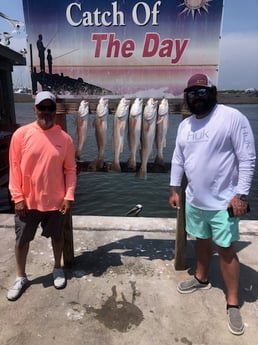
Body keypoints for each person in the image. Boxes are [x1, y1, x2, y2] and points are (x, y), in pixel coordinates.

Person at [169, 73, 256, 335]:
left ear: (212, 92)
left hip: (223, 202)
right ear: (187, 97)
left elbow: (248, 159)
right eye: (192, 93)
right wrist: (175, 189)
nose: (197, 97)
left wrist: (241, 195)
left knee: (226, 250)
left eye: (202, 92)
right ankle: (201, 277)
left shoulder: (231, 117)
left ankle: (232, 302)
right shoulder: (185, 126)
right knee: (201, 241)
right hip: (194, 199)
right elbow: (178, 159)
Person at [7, 91, 77, 301]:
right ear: (34, 109)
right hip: (27, 202)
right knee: (21, 240)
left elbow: (71, 170)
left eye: (50, 108)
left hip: (55, 201)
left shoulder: (65, 138)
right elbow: (14, 167)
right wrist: (17, 197)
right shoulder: (21, 134)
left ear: (55, 111)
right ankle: (21, 276)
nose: (46, 112)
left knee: (57, 237)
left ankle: (57, 268)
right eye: (42, 107)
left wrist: (69, 196)